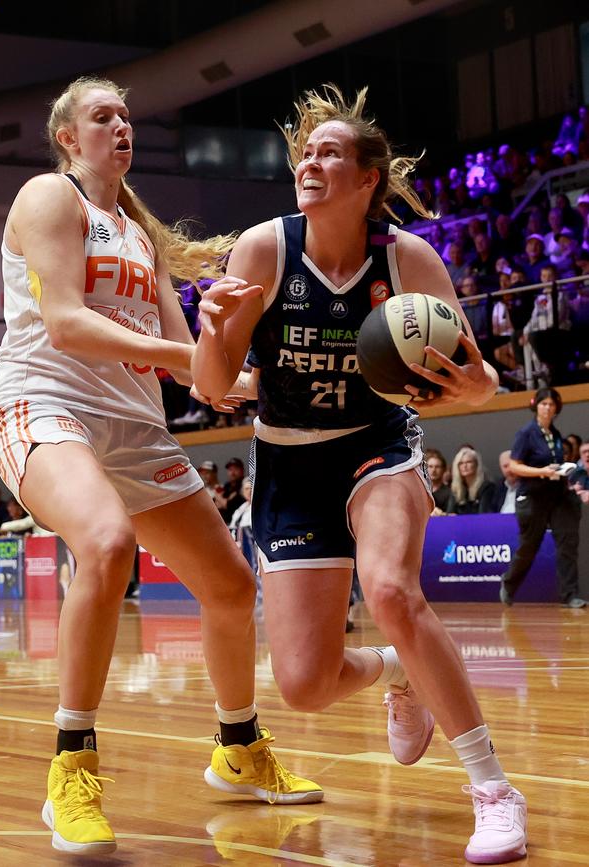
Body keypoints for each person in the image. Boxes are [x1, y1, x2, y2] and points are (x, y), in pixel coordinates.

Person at [0, 75, 323, 856]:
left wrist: (252, 370)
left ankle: (237, 747)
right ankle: (72, 764)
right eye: (103, 115)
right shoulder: (48, 198)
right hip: (44, 403)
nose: (122, 125)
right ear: (69, 136)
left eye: (129, 115)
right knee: (104, 544)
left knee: (232, 589)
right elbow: (66, 324)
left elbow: (194, 372)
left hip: (135, 429)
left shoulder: (139, 234)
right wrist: (185, 353)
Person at [192, 84, 528, 865]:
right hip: (286, 459)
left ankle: (492, 788)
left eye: (330, 152)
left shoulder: (407, 260)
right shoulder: (264, 249)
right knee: (305, 685)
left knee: (389, 589)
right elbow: (213, 386)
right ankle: (396, 674)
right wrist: (214, 334)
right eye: (305, 152)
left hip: (377, 445)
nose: (310, 160)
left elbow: (480, 383)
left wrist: (462, 382)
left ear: (368, 177)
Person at [500, 387, 586, 609]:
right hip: (533, 496)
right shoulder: (526, 433)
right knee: (529, 546)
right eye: (544, 404)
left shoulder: (555, 434)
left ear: (557, 408)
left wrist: (561, 471)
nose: (548, 408)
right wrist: (542, 471)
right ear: (536, 406)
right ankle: (508, 584)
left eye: (551, 404)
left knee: (568, 542)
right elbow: (514, 466)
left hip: (557, 495)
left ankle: (569, 595)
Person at [446, 447, 496, 515]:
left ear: (476, 464)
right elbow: (450, 513)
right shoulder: (456, 488)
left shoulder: (487, 487)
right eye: (461, 463)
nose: (465, 466)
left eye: (469, 462)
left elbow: (483, 515)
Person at [424, 448, 451, 514]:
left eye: (437, 467)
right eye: (430, 466)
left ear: (443, 469)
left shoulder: (449, 493)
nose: (433, 470)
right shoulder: (420, 491)